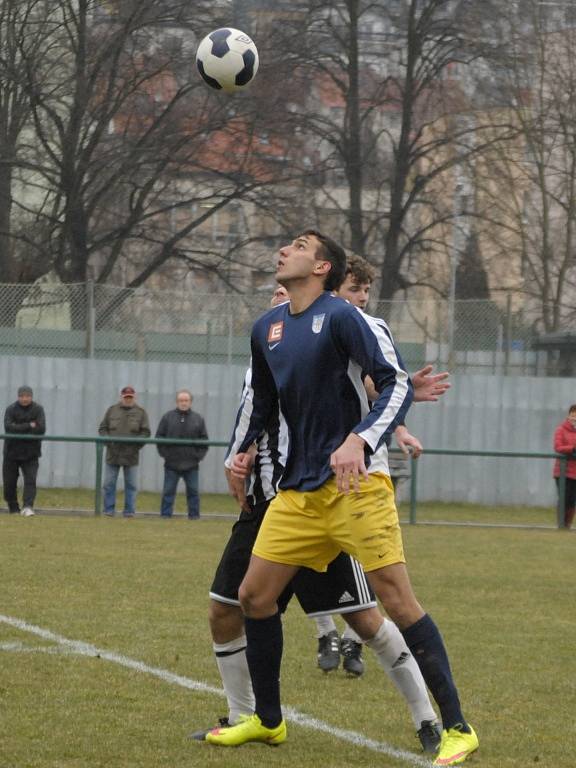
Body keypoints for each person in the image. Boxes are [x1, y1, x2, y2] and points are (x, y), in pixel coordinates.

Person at [206, 230, 478, 767]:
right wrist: (239, 454)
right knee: (252, 598)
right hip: (297, 493)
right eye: (285, 245)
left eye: (299, 245)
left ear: (322, 266)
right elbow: (261, 400)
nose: (284, 250)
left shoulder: (343, 318)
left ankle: (456, 728)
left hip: (357, 489)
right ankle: (267, 720)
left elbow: (395, 384)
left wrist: (360, 438)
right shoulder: (268, 327)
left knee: (395, 603)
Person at [192, 340, 456, 752]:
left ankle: (429, 719)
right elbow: (253, 414)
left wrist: (399, 410)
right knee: (227, 608)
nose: (282, 292)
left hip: (318, 498)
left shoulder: (329, 336)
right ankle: (246, 715)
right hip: (267, 506)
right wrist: (238, 455)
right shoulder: (265, 349)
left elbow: (365, 386)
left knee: (367, 618)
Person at [315, 255, 434, 678]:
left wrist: (400, 426)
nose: (362, 298)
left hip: (359, 465)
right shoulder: (304, 329)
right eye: (354, 290)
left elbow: (382, 384)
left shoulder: (367, 329)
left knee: (370, 568)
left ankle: (350, 637)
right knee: (289, 567)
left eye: (366, 291)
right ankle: (329, 630)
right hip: (307, 468)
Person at [155, 390, 209, 519]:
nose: (183, 403)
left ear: (190, 402)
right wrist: (165, 454)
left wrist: (197, 457)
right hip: (171, 463)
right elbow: (159, 437)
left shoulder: (198, 419)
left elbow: (204, 440)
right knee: (168, 491)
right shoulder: (167, 417)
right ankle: (165, 516)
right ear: (177, 402)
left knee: (193, 492)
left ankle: (194, 516)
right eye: (181, 400)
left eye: (186, 400)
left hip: (191, 464)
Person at [98, 386, 150, 518]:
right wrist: (108, 442)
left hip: (131, 455)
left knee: (131, 485)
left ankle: (129, 511)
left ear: (134, 397)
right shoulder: (111, 410)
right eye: (126, 397)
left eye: (130, 397)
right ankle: (108, 510)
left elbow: (145, 433)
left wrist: (135, 446)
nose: (128, 399)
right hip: (113, 454)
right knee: (108, 483)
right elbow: (103, 429)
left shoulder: (141, 412)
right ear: (121, 397)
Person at [2, 385, 46, 517]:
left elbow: (41, 428)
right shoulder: (11, 409)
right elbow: (8, 427)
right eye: (22, 396)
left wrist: (19, 426)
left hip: (31, 453)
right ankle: (13, 507)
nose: (25, 399)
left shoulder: (38, 409)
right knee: (9, 482)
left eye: (27, 396)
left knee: (30, 480)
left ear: (31, 396)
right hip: (11, 452)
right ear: (18, 396)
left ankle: (28, 506)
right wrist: (29, 425)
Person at [552, 404, 576, 529]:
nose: (574, 418)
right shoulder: (560, 429)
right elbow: (558, 447)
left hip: (575, 472)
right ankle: (561, 524)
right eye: (573, 415)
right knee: (564, 498)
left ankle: (568, 525)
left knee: (572, 500)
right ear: (569, 415)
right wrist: (572, 448)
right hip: (562, 471)